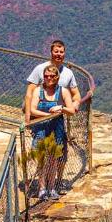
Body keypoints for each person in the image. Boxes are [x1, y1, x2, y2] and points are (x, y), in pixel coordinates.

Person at [25, 39, 81, 192]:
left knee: (58, 156)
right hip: (42, 121)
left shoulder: (68, 73)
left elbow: (76, 95)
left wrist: (74, 106)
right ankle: (44, 187)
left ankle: (55, 183)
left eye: (61, 52)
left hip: (58, 121)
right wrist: (28, 118)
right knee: (42, 156)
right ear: (51, 52)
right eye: (56, 51)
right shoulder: (40, 69)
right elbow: (29, 94)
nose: (59, 54)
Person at [26, 63, 73, 199]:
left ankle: (51, 187)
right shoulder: (38, 91)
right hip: (41, 128)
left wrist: (61, 108)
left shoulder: (63, 91)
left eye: (52, 76)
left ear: (57, 77)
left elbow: (71, 110)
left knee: (53, 159)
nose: (49, 78)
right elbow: (32, 109)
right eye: (46, 76)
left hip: (56, 129)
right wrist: (48, 115)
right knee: (42, 159)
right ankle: (42, 188)